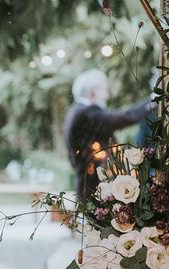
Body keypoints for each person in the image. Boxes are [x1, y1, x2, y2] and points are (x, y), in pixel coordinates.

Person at [64, 69, 155, 200]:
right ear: (93, 92)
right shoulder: (86, 113)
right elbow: (123, 118)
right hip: (93, 187)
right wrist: (151, 101)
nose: (107, 96)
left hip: (90, 184)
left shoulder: (78, 110)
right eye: (104, 91)